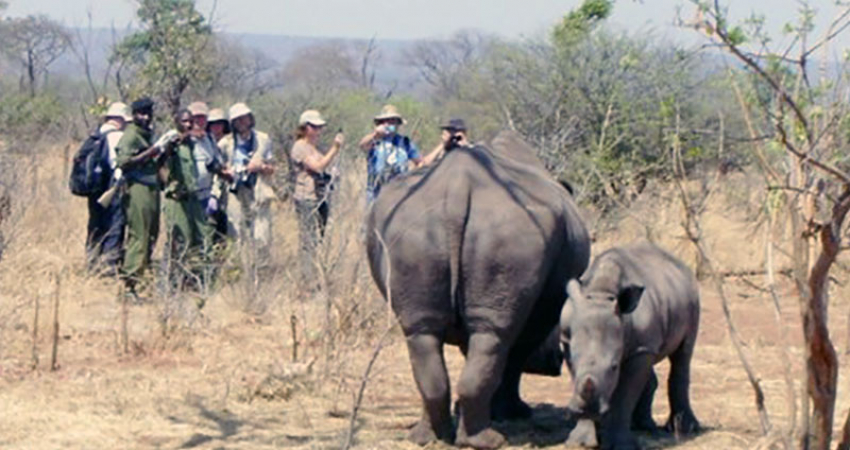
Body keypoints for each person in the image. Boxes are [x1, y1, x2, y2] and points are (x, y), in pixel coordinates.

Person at [115, 97, 168, 298]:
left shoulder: (148, 134)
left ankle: (141, 278)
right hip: (137, 188)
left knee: (152, 233)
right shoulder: (130, 136)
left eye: (148, 113)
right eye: (140, 113)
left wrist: (163, 151)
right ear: (133, 114)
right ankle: (129, 284)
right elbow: (124, 162)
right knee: (140, 234)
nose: (145, 117)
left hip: (152, 188)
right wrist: (149, 152)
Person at [161, 108, 213, 296]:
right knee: (178, 242)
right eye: (184, 121)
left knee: (203, 239)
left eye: (191, 121)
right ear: (176, 122)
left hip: (194, 198)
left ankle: (198, 283)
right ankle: (169, 287)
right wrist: (169, 149)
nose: (189, 125)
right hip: (176, 200)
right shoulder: (171, 142)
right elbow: (159, 166)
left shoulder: (194, 143)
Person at [290, 109, 344, 287]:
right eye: (314, 126)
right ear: (305, 127)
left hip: (320, 197)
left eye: (320, 126)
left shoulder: (315, 148)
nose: (318, 130)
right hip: (306, 197)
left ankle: (315, 276)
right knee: (308, 241)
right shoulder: (299, 147)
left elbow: (326, 168)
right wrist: (335, 148)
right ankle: (307, 281)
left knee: (318, 239)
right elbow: (318, 166)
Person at [218, 102, 275, 264]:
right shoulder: (225, 143)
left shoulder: (263, 139)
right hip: (235, 192)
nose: (242, 122)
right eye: (237, 119)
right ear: (233, 123)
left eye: (244, 118)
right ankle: (236, 270)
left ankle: (262, 269)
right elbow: (217, 168)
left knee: (262, 233)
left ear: (250, 119)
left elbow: (273, 167)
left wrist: (261, 167)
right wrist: (227, 172)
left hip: (258, 191)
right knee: (235, 232)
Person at [86, 102, 131, 276]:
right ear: (121, 119)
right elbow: (118, 166)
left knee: (95, 226)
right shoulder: (117, 137)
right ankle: (108, 268)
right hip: (112, 189)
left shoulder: (95, 136)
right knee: (114, 226)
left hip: (94, 190)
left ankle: (92, 264)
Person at [358, 105, 421, 203]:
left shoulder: (405, 142)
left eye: (392, 121)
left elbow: (420, 162)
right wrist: (376, 134)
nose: (389, 124)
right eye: (385, 121)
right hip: (375, 193)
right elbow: (362, 145)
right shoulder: (374, 141)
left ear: (397, 124)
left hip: (399, 193)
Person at [188, 102, 231, 244]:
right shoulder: (179, 139)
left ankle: (206, 265)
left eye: (202, 118)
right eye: (195, 118)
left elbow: (217, 166)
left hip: (206, 197)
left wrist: (215, 194)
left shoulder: (209, 140)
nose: (198, 122)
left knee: (207, 236)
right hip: (186, 198)